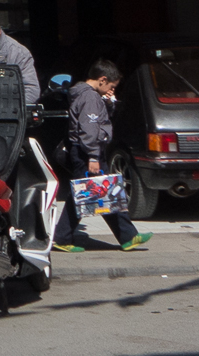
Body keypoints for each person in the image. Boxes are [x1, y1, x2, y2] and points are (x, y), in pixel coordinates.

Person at [53, 59, 151, 252]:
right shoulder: (89, 97)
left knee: (104, 192)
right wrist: (93, 156)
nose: (111, 89)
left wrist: (107, 102)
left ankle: (128, 236)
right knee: (89, 193)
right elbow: (89, 128)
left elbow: (98, 118)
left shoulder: (87, 95)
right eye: (111, 86)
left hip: (86, 151)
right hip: (87, 152)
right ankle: (62, 238)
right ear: (102, 80)